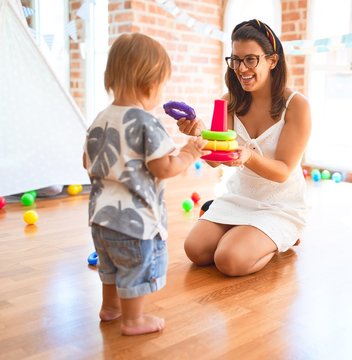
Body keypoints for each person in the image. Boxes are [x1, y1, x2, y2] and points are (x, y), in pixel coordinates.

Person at [83, 33, 207, 335]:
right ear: (150, 84)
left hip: (100, 216)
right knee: (135, 266)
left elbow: (87, 163)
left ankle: (110, 307)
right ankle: (133, 319)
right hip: (134, 221)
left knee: (110, 266)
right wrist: (189, 152)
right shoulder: (146, 123)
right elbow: (164, 166)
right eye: (162, 84)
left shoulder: (100, 118)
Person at [177, 19, 311, 277]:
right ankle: (249, 234)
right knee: (195, 249)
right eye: (236, 60)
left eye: (251, 59)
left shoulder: (297, 106)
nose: (241, 69)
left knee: (229, 259)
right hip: (240, 196)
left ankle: (283, 237)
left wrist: (248, 156)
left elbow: (283, 171)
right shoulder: (230, 101)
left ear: (272, 60)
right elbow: (217, 160)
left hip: (280, 204)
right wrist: (199, 134)